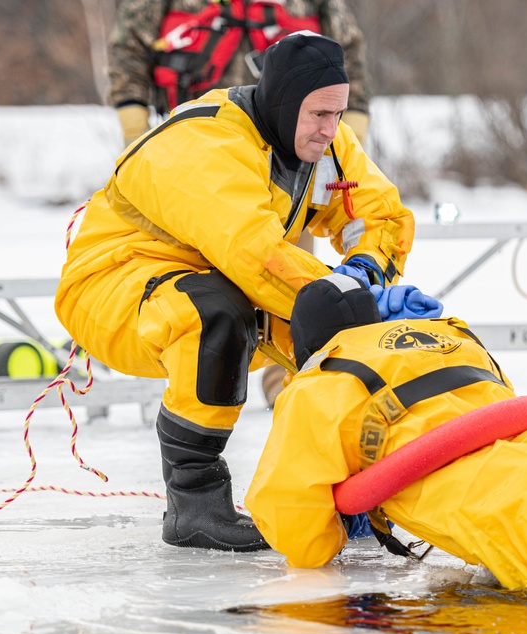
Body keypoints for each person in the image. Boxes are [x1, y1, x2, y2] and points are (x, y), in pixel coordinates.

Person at [55, 32, 414, 552]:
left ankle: (343, 484)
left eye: (338, 114)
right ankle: (194, 504)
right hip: (115, 284)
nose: (330, 129)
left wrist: (362, 275)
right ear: (284, 103)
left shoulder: (324, 143)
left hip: (223, 276)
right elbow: (254, 255)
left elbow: (382, 216)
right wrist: (344, 301)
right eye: (318, 114)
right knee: (217, 317)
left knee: (334, 339)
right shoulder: (209, 142)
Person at [245, 273, 527, 608]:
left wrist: (339, 525)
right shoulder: (450, 337)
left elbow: (293, 520)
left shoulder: (320, 383)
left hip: (515, 506)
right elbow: (493, 408)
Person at [107, 0, 373, 407]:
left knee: (284, 270)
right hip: (200, 151)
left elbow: (347, 46)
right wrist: (134, 125)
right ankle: (200, 382)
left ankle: (291, 382)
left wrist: (349, 126)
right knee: (200, 277)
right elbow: (129, 45)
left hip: (291, 155)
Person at [108, 0, 371, 148]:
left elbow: (348, 52)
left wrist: (353, 130)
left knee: (285, 245)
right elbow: (129, 47)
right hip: (189, 141)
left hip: (285, 148)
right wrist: (133, 124)